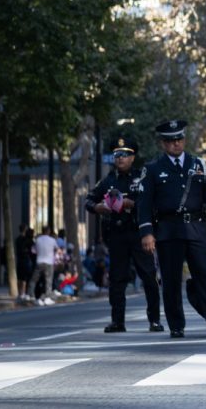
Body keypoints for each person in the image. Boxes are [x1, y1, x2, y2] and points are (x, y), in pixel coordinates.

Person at [138, 119, 206, 338]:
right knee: (170, 280)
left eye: (178, 139)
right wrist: (147, 232)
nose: (175, 144)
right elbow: (144, 204)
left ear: (184, 139)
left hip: (197, 228)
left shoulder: (199, 165)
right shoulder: (152, 169)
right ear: (162, 143)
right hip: (169, 230)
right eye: (170, 141)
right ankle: (176, 325)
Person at [85, 135, 163, 333]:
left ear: (133, 157)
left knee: (149, 276)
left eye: (125, 154)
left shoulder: (142, 178)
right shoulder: (107, 181)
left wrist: (133, 205)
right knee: (117, 280)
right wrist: (99, 208)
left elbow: (155, 204)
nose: (120, 158)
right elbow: (88, 201)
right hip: (117, 235)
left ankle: (154, 320)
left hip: (139, 234)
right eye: (117, 155)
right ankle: (117, 321)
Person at [26, 225, 59, 305]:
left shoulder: (37, 240)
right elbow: (56, 249)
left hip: (39, 261)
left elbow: (33, 250)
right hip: (49, 262)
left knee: (34, 279)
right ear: (49, 231)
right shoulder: (52, 240)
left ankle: (30, 295)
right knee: (48, 280)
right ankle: (47, 298)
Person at [15, 224, 34, 300]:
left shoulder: (17, 239)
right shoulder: (26, 240)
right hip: (26, 259)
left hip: (19, 259)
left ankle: (20, 293)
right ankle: (24, 293)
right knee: (25, 278)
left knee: (20, 277)